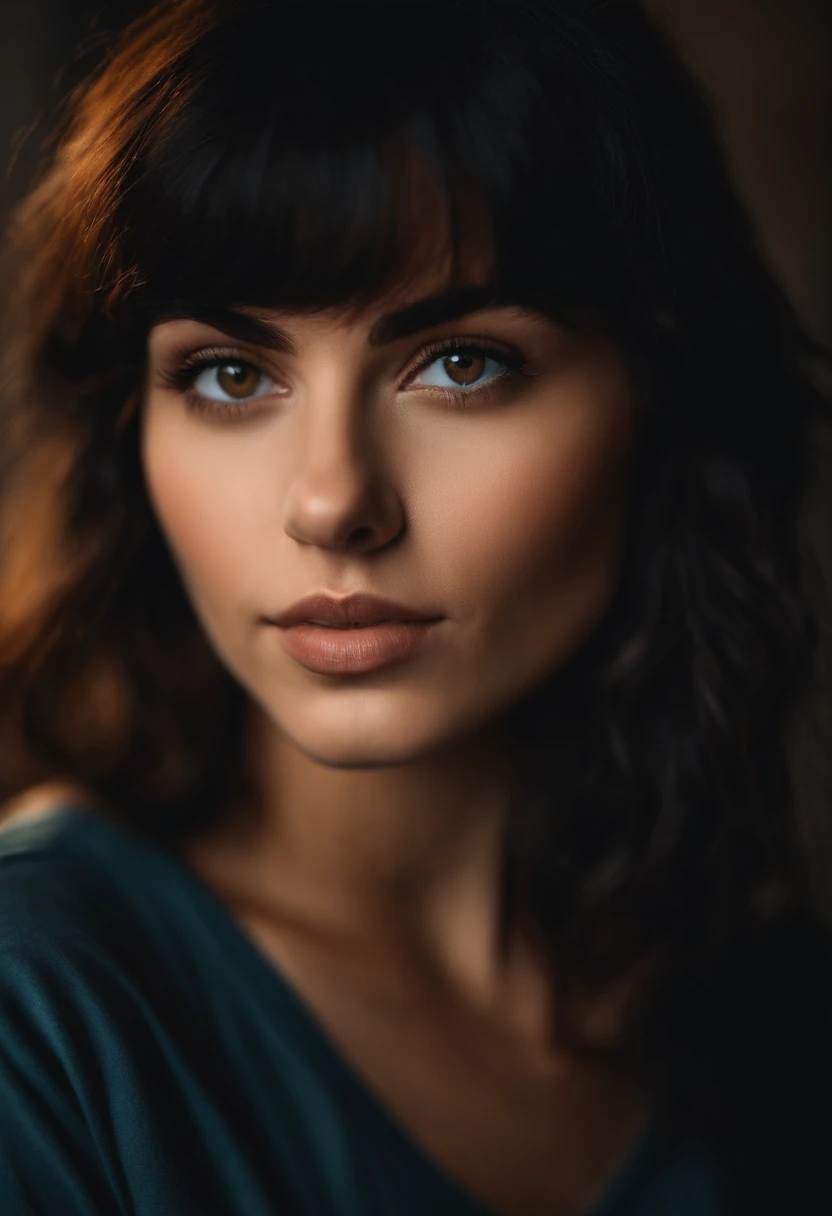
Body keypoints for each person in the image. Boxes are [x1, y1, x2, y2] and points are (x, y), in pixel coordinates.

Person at [0, 0, 830, 1212]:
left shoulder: (774, 1026)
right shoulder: (39, 1013)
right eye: (231, 374)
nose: (333, 502)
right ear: (132, 427)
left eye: (459, 363)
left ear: (663, 402)